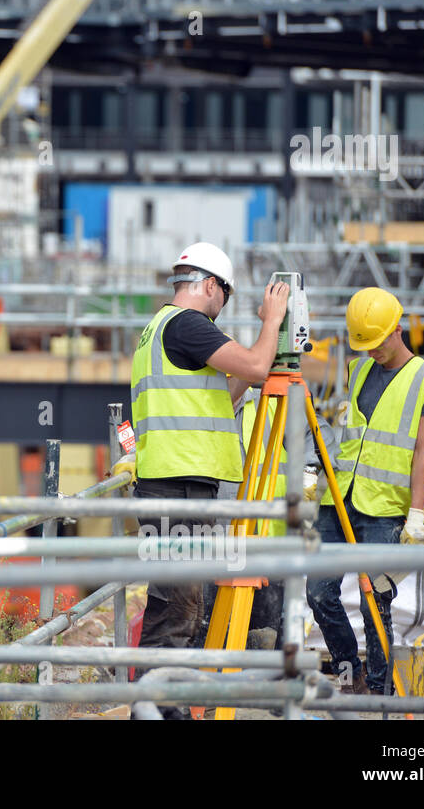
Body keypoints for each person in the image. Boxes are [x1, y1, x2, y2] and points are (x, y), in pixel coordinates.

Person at [130, 243, 290, 674]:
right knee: (176, 610)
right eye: (226, 294)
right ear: (209, 285)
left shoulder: (159, 327)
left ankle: (161, 703)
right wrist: (272, 322)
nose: (223, 305)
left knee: (174, 605)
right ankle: (156, 706)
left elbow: (223, 397)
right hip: (176, 487)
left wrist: (253, 366)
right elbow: (257, 367)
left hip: (170, 481)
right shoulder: (188, 325)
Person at [305, 287, 424, 695]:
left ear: (397, 330)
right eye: (363, 345)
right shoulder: (358, 370)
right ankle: (352, 673)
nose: (371, 352)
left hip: (385, 506)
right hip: (340, 496)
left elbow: (423, 452)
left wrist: (417, 515)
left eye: (377, 343)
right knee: (319, 592)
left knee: (375, 599)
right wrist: (318, 468)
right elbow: (353, 435)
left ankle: (381, 689)